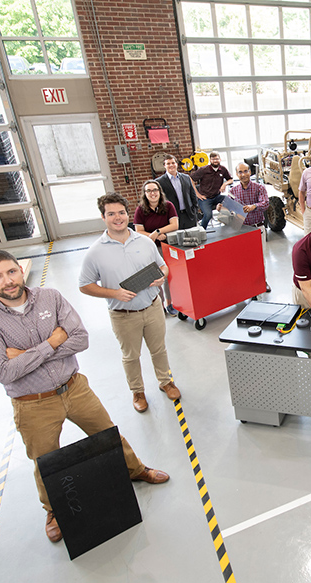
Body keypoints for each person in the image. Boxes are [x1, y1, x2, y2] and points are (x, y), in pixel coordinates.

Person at [0, 250, 169, 543]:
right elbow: (4, 371)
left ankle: (135, 470)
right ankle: (52, 510)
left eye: (11, 272)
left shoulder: (50, 298)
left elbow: (81, 339)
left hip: (74, 387)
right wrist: (52, 342)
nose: (7, 281)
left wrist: (25, 356)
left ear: (20, 271)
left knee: (107, 434)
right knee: (44, 460)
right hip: (32, 403)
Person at [78, 193, 181, 413]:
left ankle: (165, 381)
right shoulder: (95, 252)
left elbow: (163, 266)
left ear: (128, 214)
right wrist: (114, 293)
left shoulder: (145, 242)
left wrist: (162, 276)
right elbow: (84, 285)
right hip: (123, 315)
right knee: (131, 356)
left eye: (122, 213)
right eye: (111, 214)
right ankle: (138, 391)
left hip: (152, 306)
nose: (118, 218)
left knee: (159, 349)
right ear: (103, 217)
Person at [223, 161, 272, 292]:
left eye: (245, 171)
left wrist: (254, 206)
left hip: (257, 228)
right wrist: (221, 208)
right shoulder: (233, 191)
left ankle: (262, 282)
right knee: (243, 258)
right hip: (242, 229)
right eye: (240, 172)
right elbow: (227, 209)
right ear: (236, 174)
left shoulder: (259, 188)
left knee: (260, 257)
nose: (243, 174)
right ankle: (246, 282)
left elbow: (265, 203)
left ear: (250, 172)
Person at [134, 179, 179, 315]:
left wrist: (158, 231)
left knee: (168, 275)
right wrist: (152, 236)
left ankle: (170, 303)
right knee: (156, 276)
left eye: (155, 190)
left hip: (167, 247)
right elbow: (138, 231)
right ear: (145, 194)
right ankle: (160, 304)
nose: (152, 193)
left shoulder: (168, 206)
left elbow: (175, 225)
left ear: (159, 192)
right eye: (149, 191)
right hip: (150, 248)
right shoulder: (140, 210)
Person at [190, 151, 233, 229]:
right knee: (208, 215)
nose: (215, 161)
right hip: (205, 198)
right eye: (213, 159)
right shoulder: (204, 170)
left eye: (217, 159)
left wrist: (224, 184)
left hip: (217, 196)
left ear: (220, 159)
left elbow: (230, 179)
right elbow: (190, 179)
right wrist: (197, 194)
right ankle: (202, 231)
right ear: (210, 160)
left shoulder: (223, 169)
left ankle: (229, 226)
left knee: (231, 202)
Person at [156, 154, 200, 230]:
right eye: (168, 164)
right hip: (172, 218)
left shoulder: (186, 178)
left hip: (189, 215)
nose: (171, 165)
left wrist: (194, 211)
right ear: (164, 166)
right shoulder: (159, 182)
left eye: (173, 163)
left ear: (176, 164)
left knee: (193, 239)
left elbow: (193, 196)